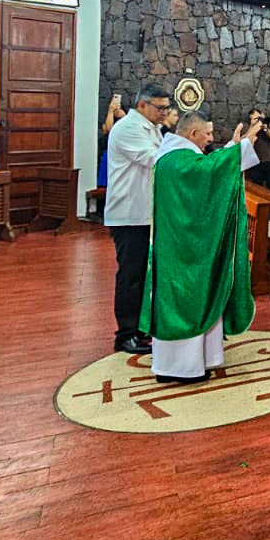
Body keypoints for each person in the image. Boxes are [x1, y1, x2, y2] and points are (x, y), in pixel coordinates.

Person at [143, 113, 262, 384]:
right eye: (207, 134)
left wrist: (233, 149)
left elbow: (207, 167)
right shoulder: (179, 161)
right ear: (193, 134)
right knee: (191, 298)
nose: (210, 139)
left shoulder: (172, 157)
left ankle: (189, 363)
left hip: (175, 245)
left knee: (188, 298)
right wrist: (243, 146)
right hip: (184, 251)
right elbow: (207, 173)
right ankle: (184, 368)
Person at [103, 85, 173, 354]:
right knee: (131, 275)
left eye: (166, 107)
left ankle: (142, 327)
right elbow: (155, 160)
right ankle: (126, 334)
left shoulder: (152, 128)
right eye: (160, 107)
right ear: (142, 105)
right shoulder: (129, 128)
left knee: (144, 274)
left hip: (145, 213)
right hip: (129, 214)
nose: (164, 112)